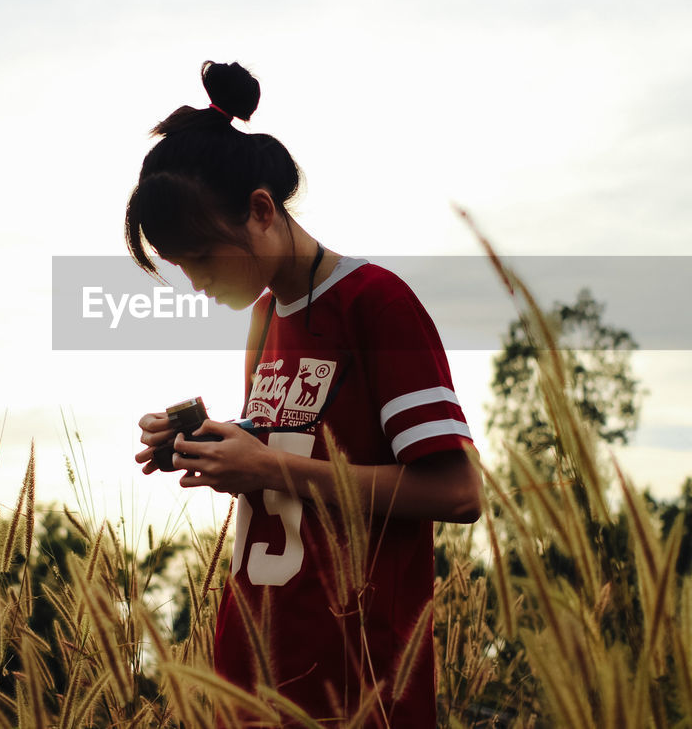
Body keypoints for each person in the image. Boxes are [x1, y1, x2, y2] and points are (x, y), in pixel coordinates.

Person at [127, 61, 482, 727]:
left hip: (356, 687)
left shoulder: (377, 304)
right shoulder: (266, 319)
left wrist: (268, 466)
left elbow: (460, 492)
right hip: (254, 680)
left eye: (204, 256)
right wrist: (215, 450)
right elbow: (298, 463)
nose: (198, 282)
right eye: (182, 269)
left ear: (261, 210)